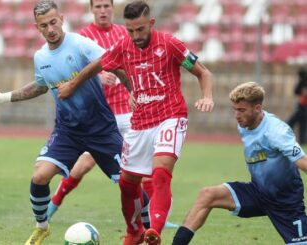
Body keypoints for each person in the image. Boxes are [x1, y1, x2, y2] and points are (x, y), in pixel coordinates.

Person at [56, 1, 214, 244]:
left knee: (160, 173)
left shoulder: (170, 44)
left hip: (171, 117)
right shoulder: (123, 46)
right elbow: (97, 64)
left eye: (140, 29)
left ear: (151, 23)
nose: (136, 35)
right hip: (139, 122)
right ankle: (135, 231)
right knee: (127, 184)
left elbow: (204, 72)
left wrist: (207, 96)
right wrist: (73, 84)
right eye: (131, 30)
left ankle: (155, 231)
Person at [0, 1, 133, 244]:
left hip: (101, 128)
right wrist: (4, 97)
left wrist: (132, 91)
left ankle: (145, 230)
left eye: (53, 22)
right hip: (68, 130)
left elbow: (112, 62)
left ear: (61, 18)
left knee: (129, 183)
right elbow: (41, 86)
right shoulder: (41, 57)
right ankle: (42, 226)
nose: (50, 29)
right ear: (37, 27)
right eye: (44, 25)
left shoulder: (80, 44)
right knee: (40, 176)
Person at [47, 0, 179, 229]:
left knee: (144, 170)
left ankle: (154, 221)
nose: (103, 11)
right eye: (97, 7)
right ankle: (51, 208)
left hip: (130, 113)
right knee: (82, 166)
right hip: (101, 116)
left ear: (112, 8)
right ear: (91, 10)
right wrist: (97, 76)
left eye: (106, 6)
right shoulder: (82, 37)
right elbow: (76, 71)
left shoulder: (125, 33)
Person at [172, 81, 307, 245]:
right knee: (207, 195)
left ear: (257, 108)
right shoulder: (244, 124)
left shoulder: (277, 131)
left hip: (285, 201)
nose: (236, 115)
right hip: (257, 192)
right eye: (235, 109)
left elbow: (302, 161)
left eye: (241, 110)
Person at [287, 68, 307, 144]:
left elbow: (297, 92)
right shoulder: (303, 82)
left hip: (302, 107)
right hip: (302, 106)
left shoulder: (303, 82)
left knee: (290, 122)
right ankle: (303, 141)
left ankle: (286, 136)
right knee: (303, 126)